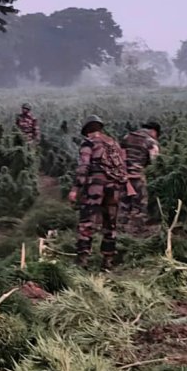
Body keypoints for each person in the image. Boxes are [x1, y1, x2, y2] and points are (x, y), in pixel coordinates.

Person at [69, 115, 130, 270]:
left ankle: (83, 260)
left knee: (86, 221)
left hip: (95, 186)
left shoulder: (88, 143)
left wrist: (75, 189)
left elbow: (84, 167)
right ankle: (107, 261)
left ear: (88, 131)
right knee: (110, 223)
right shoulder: (113, 143)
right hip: (114, 187)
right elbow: (123, 167)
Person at [119, 121, 161, 232]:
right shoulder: (151, 142)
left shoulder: (126, 137)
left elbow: (119, 157)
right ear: (154, 131)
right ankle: (136, 233)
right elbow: (155, 163)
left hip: (123, 178)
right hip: (138, 178)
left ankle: (121, 232)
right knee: (139, 207)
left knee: (124, 207)